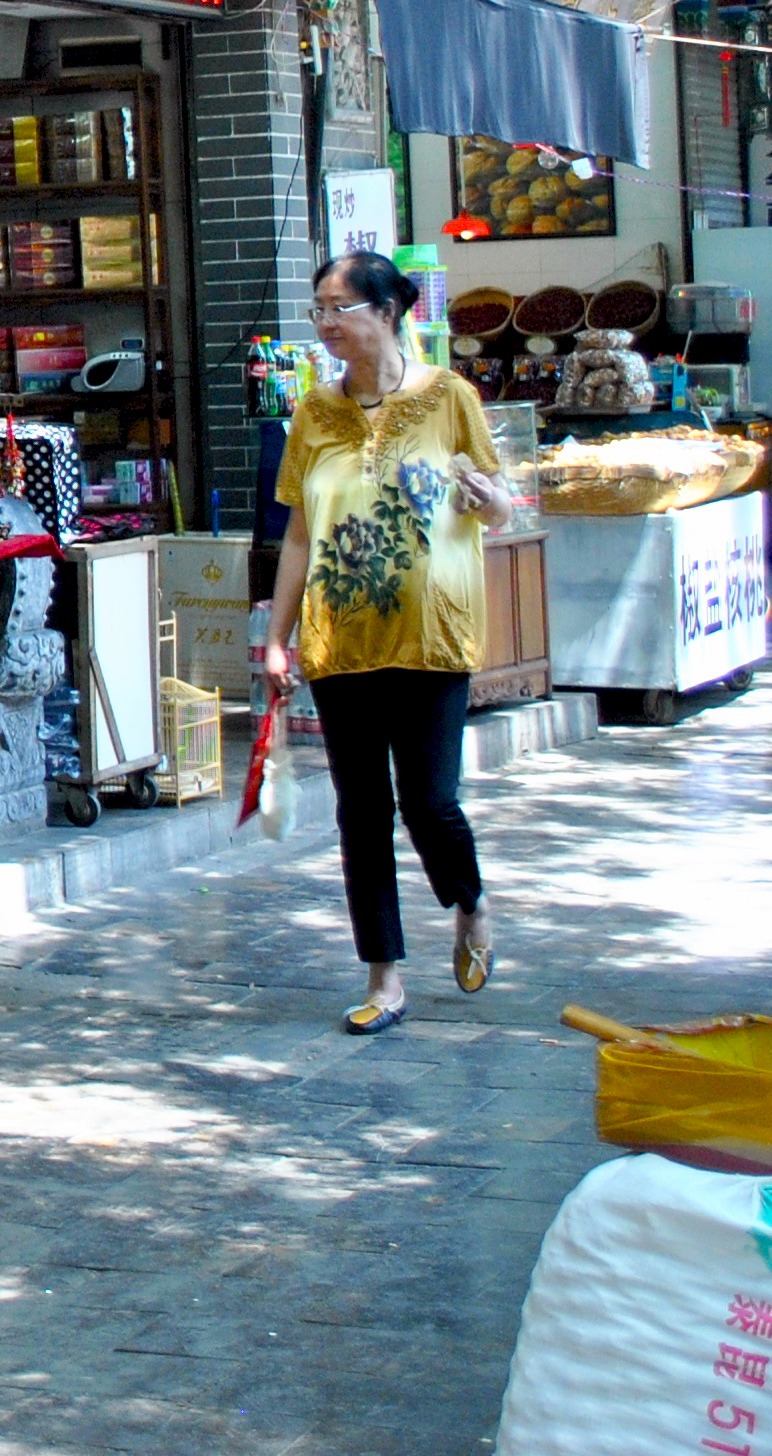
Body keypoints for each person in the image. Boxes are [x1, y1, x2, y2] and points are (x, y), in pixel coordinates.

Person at [262, 251, 527, 1035]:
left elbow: (501, 506)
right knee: (360, 812)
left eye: (336, 307)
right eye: (317, 310)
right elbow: (298, 538)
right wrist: (276, 639)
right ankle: (383, 975)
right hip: (340, 640)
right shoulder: (313, 415)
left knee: (430, 802)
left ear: (385, 311)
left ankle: (470, 903)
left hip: (430, 635)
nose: (325, 325)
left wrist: (489, 501)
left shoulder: (451, 399)